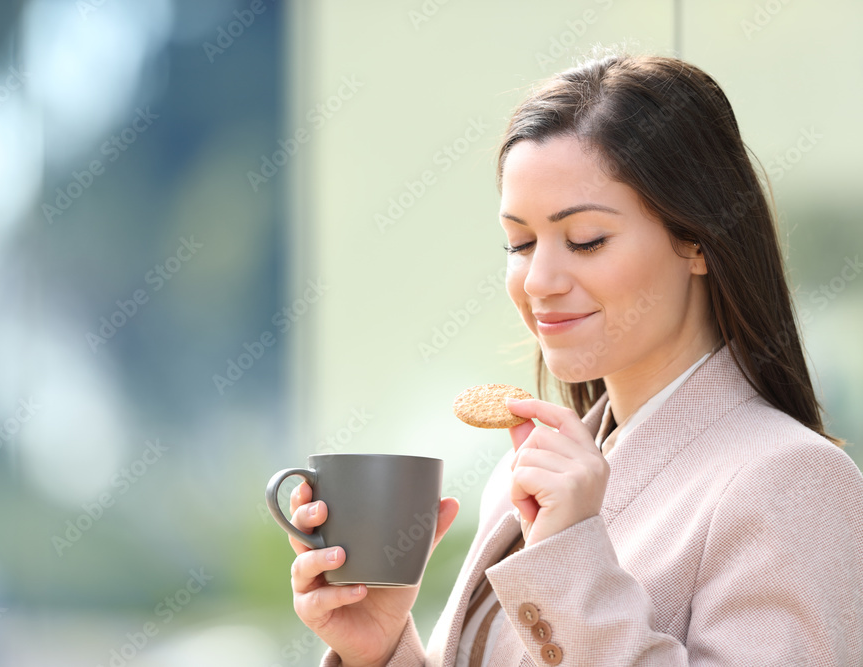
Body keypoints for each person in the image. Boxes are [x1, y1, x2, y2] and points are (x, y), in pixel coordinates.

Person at [283, 52, 863, 666]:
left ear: (698, 239)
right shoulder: (524, 484)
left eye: (586, 240)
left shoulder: (793, 480)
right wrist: (380, 652)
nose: (539, 280)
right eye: (521, 242)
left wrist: (571, 559)